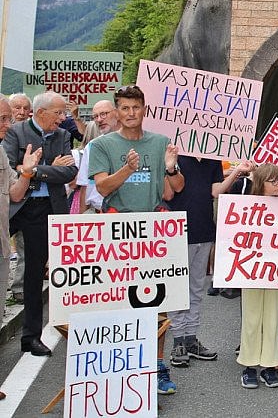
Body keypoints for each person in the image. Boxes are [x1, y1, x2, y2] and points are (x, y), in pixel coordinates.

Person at [88, 85, 184, 394]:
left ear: (145, 110)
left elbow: (174, 190)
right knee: (118, 301)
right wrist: (127, 170)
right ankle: (124, 367)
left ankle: (157, 367)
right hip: (117, 230)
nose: (131, 114)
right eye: (125, 108)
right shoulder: (103, 145)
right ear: (117, 112)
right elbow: (102, 189)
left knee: (158, 301)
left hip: (154, 230)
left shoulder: (159, 143)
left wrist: (172, 168)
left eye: (136, 108)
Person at [3, 92, 77, 358]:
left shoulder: (62, 136)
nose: (63, 118)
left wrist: (35, 170)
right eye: (58, 113)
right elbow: (11, 169)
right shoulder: (16, 132)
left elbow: (69, 172)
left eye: (64, 113)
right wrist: (47, 169)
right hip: (14, 206)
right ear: (41, 112)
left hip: (45, 208)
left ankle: (31, 337)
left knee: (34, 275)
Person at [168, 156, 254, 367]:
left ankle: (190, 338)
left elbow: (216, 191)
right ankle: (177, 339)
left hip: (204, 229)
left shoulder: (212, 160)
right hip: (178, 230)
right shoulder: (176, 157)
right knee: (178, 290)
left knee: (196, 288)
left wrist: (236, 171)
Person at [0, 95, 42, 392]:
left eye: (7, 118)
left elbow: (15, 194)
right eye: (3, 118)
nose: (9, 123)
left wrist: (27, 171)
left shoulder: (2, 153)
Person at [238, 163, 278, 389]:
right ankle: (248, 366)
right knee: (252, 317)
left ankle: (269, 367)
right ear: (260, 183)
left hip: (277, 271)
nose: (277, 185)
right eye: (272, 181)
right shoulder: (246, 204)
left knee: (272, 318)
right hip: (252, 270)